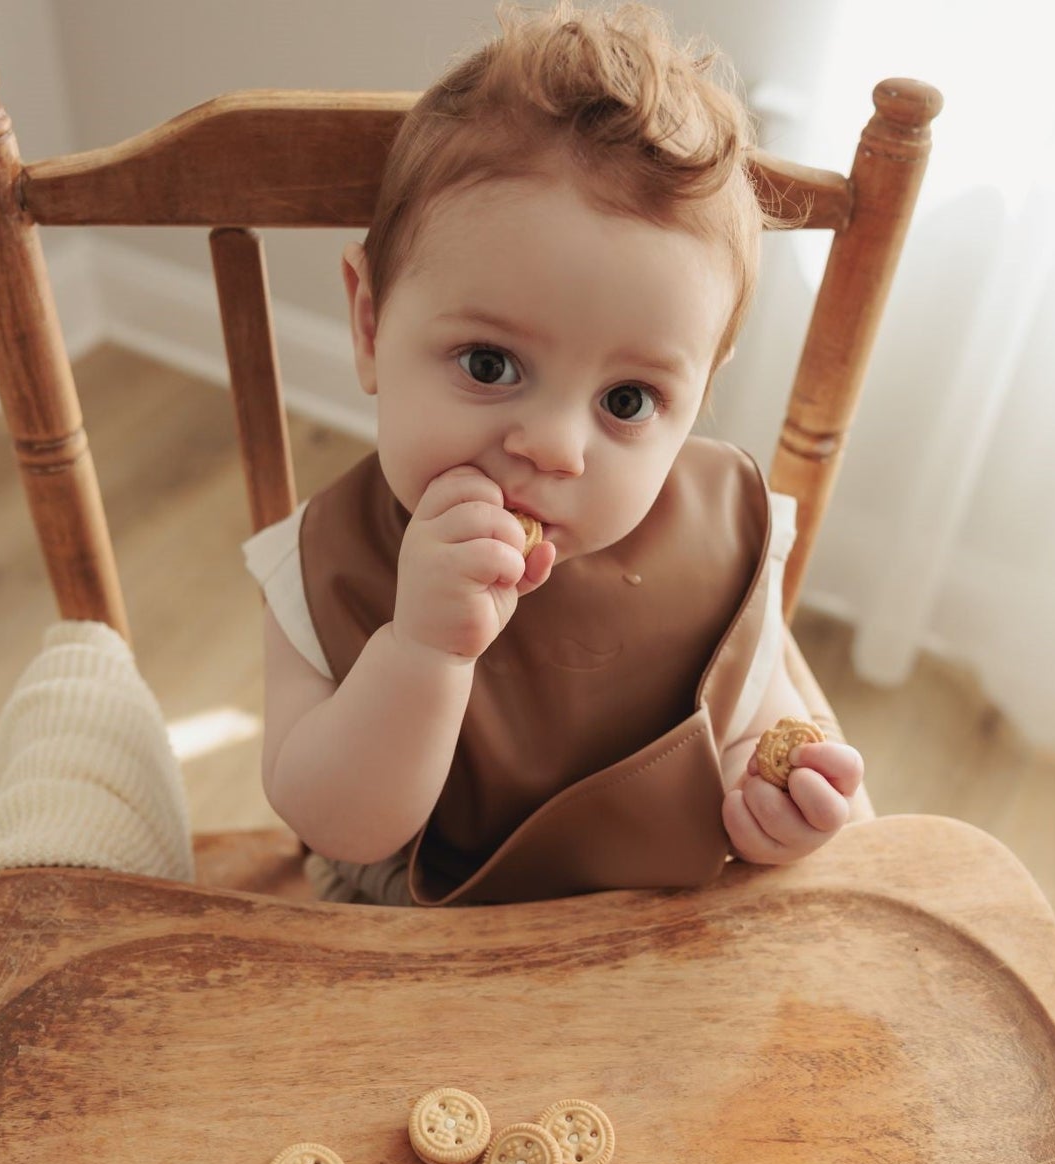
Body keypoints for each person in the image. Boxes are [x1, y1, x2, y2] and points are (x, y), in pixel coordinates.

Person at [244, 0, 863, 906]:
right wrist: (422, 652)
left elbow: (742, 732)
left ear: (697, 398)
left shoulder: (725, 536)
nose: (555, 448)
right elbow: (336, 827)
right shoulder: (322, 565)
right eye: (490, 365)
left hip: (638, 947)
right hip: (412, 951)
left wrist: (771, 802)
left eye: (627, 401)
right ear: (371, 324)